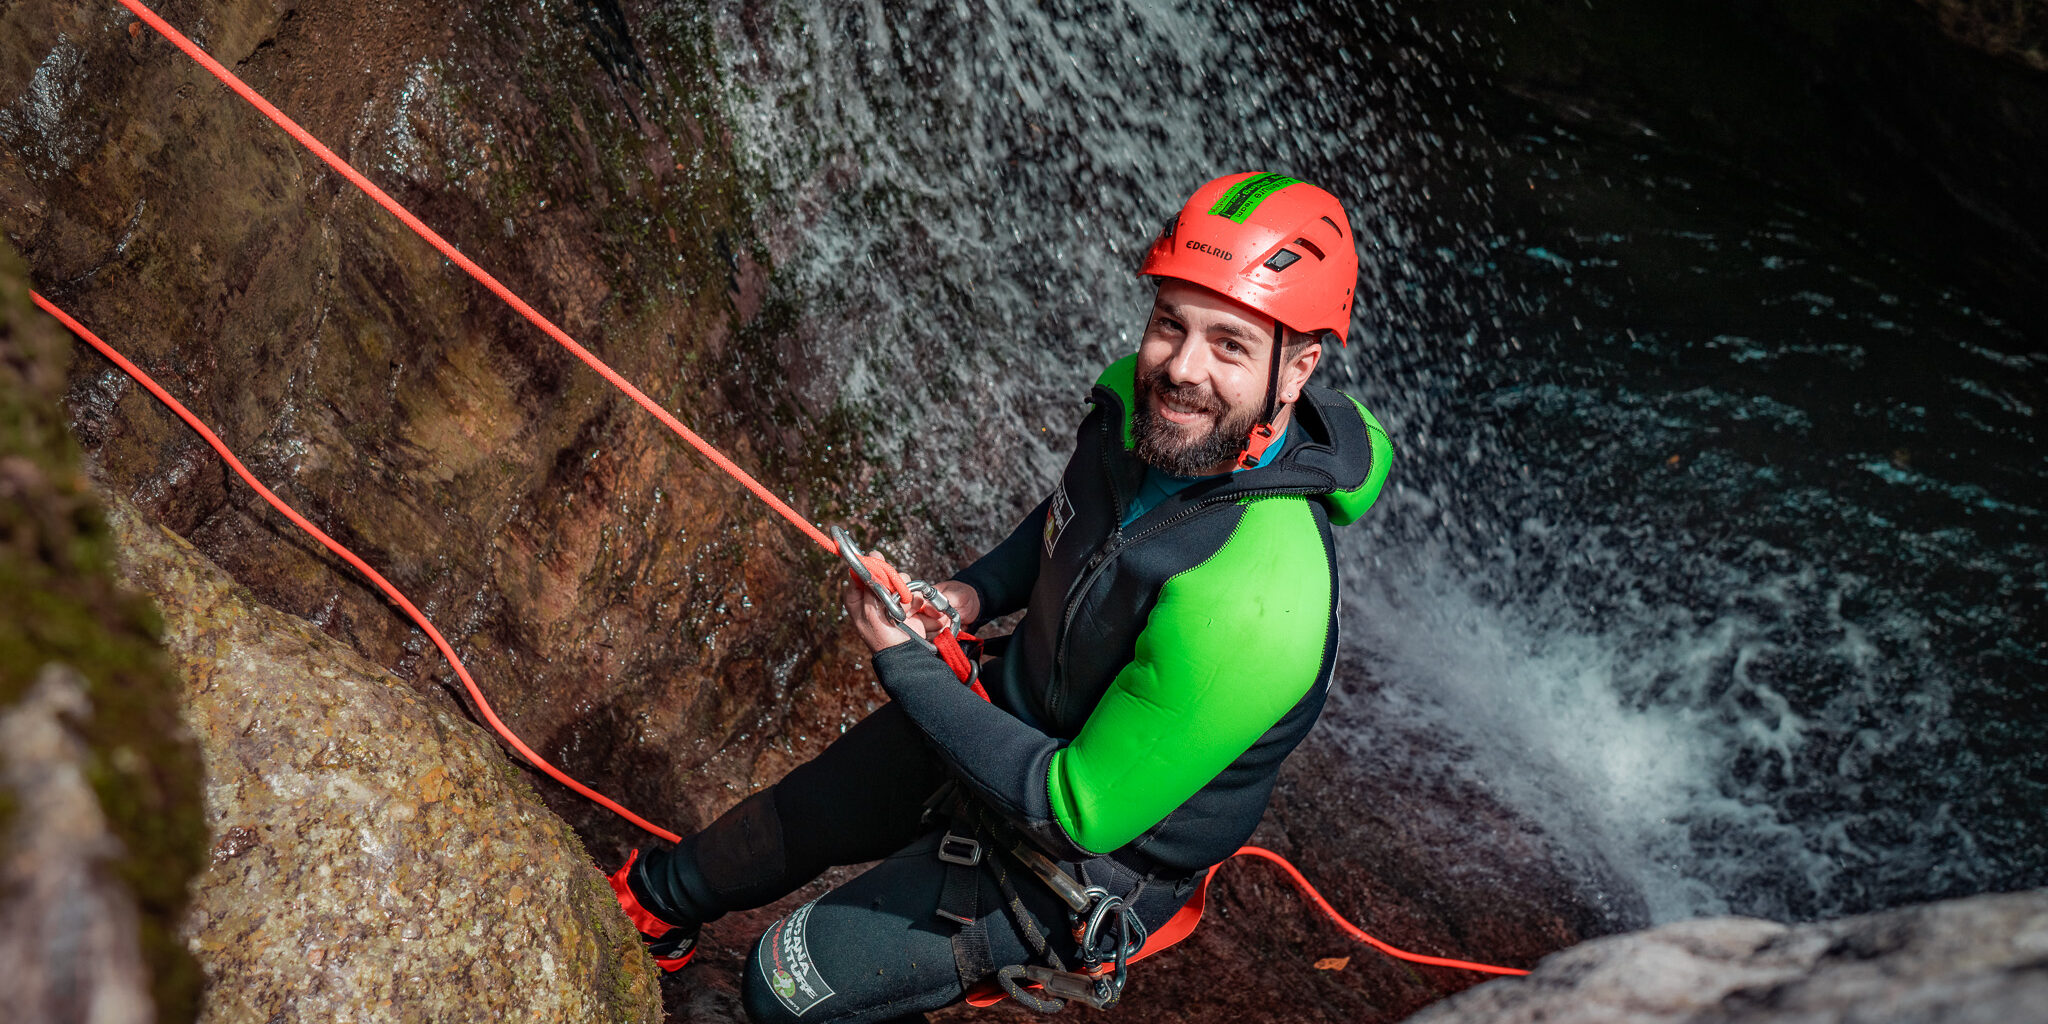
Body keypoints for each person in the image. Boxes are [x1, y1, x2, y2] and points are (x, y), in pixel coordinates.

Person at [608, 172, 1393, 1023]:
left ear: (1297, 368)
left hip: (1076, 855)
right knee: (764, 835)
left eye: (1230, 345)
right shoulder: (1138, 402)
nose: (1181, 368)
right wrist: (968, 596)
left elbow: (1075, 810)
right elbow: (1070, 523)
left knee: (784, 982)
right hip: (1006, 715)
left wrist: (907, 665)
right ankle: (658, 906)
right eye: (1170, 322)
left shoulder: (1260, 597)